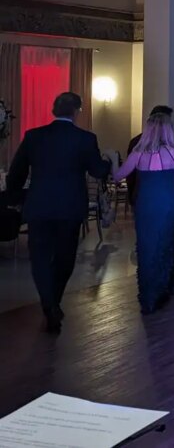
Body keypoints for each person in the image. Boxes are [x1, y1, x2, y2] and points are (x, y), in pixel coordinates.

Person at [4, 92, 110, 333]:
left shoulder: (34, 136)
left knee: (39, 259)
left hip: (39, 207)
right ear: (77, 111)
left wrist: (15, 199)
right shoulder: (85, 139)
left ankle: (49, 305)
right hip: (69, 208)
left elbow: (16, 172)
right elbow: (98, 171)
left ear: (54, 109)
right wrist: (108, 164)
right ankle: (54, 302)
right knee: (64, 258)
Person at [113, 112, 174, 314]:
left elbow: (117, 176)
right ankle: (166, 287)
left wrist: (112, 159)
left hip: (146, 206)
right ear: (168, 129)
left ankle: (149, 297)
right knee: (166, 245)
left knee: (147, 248)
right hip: (169, 204)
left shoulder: (138, 153)